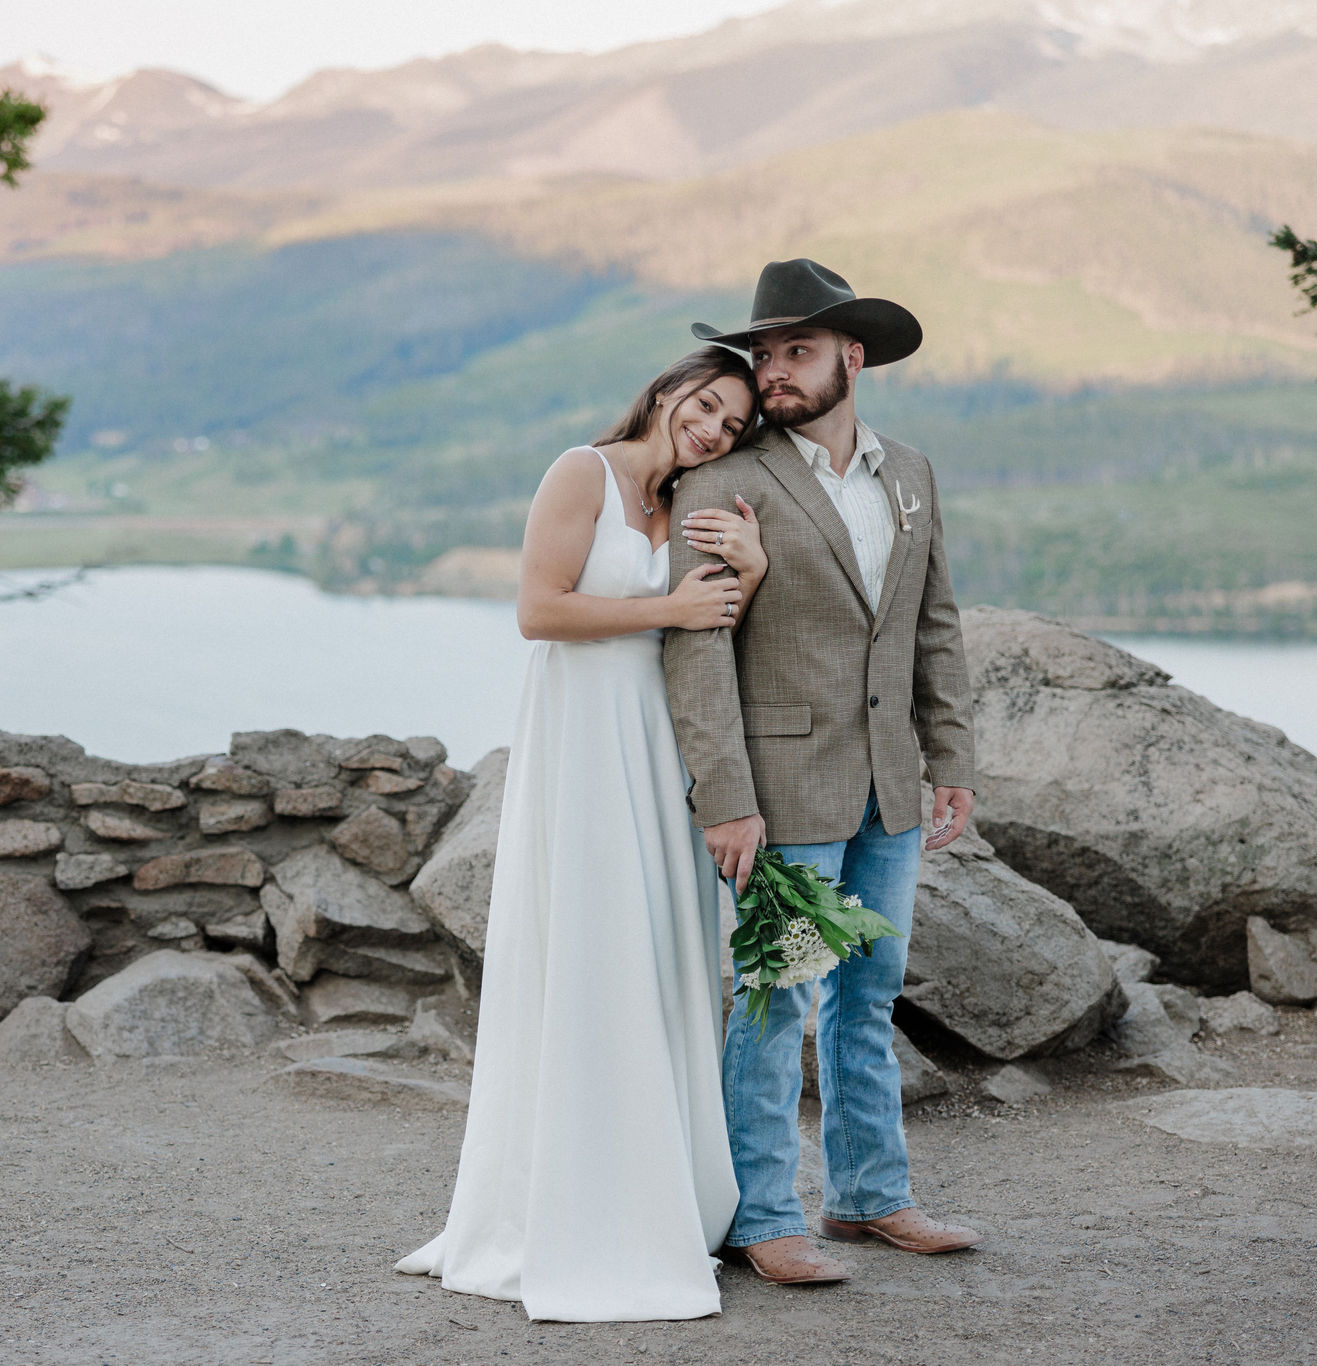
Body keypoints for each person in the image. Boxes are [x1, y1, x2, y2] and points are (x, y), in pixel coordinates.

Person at [396, 347, 763, 1321]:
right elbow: (537, 609)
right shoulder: (580, 472)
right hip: (582, 743)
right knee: (588, 950)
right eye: (708, 406)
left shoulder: (690, 506)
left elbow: (707, 628)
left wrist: (747, 574)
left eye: (731, 426)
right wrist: (668, 603)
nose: (714, 430)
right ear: (667, 389)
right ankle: (567, 1205)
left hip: (655, 747)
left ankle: (666, 1192)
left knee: (660, 954)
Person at [665, 258, 982, 1287]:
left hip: (888, 789)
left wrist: (949, 760)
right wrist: (724, 797)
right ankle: (758, 1212)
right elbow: (697, 648)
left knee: (869, 992)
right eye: (761, 353)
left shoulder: (909, 475)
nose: (772, 372)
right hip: (784, 799)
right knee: (776, 994)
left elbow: (930, 627)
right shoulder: (725, 481)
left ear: (853, 354)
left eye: (794, 350)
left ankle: (868, 1197)